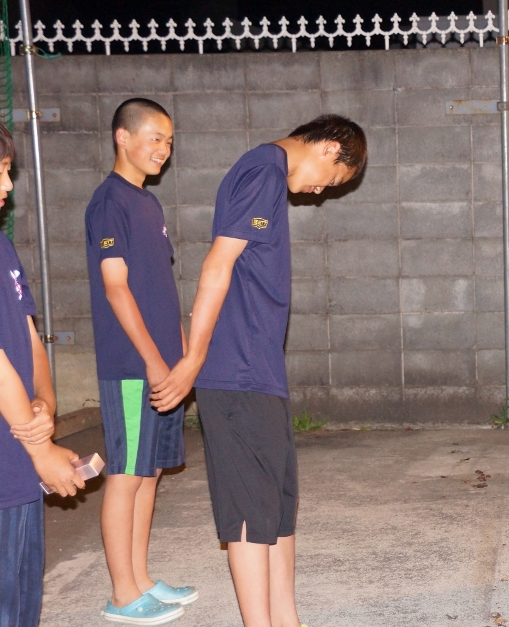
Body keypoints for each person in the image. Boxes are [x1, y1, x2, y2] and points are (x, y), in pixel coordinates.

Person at [150, 114, 366, 627]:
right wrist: (194, 359)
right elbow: (217, 265)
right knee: (249, 511)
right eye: (331, 180)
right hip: (235, 369)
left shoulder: (266, 172)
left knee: (277, 507)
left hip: (260, 370)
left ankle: (287, 619)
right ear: (329, 148)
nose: (319, 192)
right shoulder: (262, 170)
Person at [85, 98, 194, 625]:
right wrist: (153, 361)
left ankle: (142, 579)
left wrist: (181, 355)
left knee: (149, 473)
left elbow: (160, 289)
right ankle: (123, 594)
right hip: (133, 367)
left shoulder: (148, 203)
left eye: (168, 141)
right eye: (154, 138)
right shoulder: (110, 202)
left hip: (164, 365)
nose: (163, 149)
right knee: (127, 474)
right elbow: (116, 288)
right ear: (122, 137)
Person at [0, 122, 86, 627]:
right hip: (12, 458)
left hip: (17, 459)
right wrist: (40, 450)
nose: (7, 186)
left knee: (22, 602)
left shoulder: (3, 248)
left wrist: (45, 405)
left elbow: (28, 334)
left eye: (8, 171)